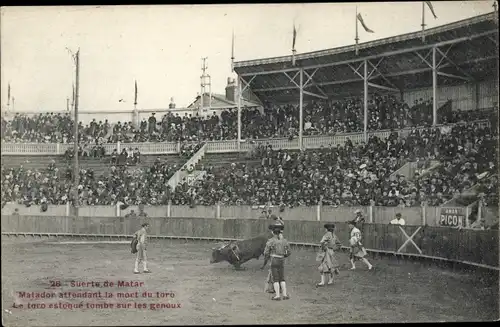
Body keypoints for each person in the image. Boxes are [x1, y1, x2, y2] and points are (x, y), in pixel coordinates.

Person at [263, 224, 291, 301]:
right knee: (282, 278)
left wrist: (268, 257)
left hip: (274, 259)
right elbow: (289, 252)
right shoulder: (284, 241)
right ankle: (285, 295)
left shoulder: (271, 241)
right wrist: (284, 256)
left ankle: (277, 296)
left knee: (275, 278)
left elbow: (266, 252)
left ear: (273, 233)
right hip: (282, 260)